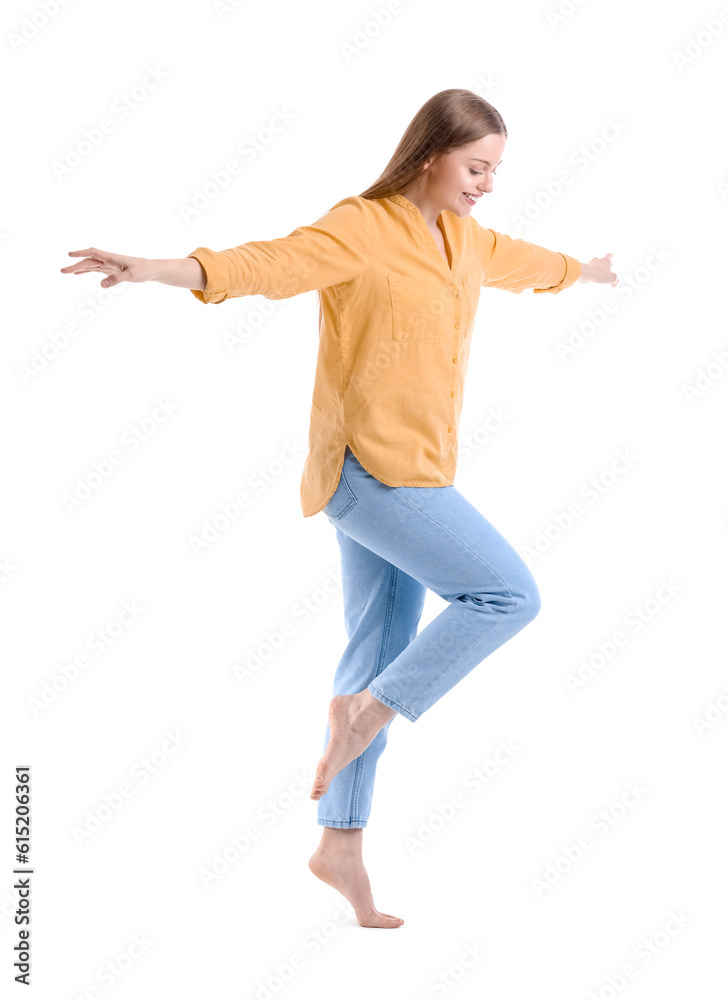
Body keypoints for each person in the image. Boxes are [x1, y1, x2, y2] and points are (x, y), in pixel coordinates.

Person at [60, 88, 618, 930]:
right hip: (371, 474)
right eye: (477, 167)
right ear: (431, 153)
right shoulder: (364, 226)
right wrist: (164, 268)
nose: (487, 184)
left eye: (496, 170)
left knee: (379, 642)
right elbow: (271, 264)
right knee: (507, 596)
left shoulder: (466, 239)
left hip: (422, 472)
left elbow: (529, 261)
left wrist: (586, 271)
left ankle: (340, 846)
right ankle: (371, 711)